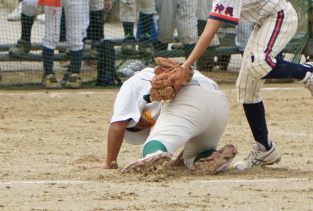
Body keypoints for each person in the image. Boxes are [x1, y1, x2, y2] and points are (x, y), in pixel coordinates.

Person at [142, 0, 313, 171]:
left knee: (259, 64)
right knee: (246, 89)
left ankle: (309, 72)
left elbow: (211, 28)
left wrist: (187, 65)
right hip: (261, 21)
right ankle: (265, 149)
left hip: (279, 16)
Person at [91, 66, 237, 175]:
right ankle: (208, 155)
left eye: (135, 124)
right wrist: (175, 163)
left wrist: (109, 163)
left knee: (151, 150)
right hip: (219, 100)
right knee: (191, 158)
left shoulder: (131, 84)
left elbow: (118, 124)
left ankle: (153, 153)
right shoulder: (156, 101)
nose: (140, 125)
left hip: (191, 98)